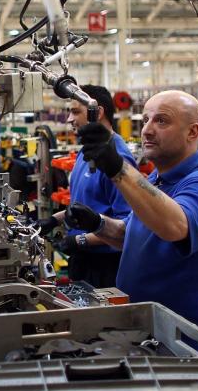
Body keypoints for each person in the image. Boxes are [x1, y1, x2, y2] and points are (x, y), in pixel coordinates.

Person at [63, 90, 198, 342]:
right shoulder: (157, 179)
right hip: (151, 331)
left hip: (192, 342)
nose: (147, 130)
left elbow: (175, 227)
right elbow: (130, 235)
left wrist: (117, 168)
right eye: (145, 120)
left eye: (161, 121)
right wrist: (97, 223)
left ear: (192, 132)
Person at [36, 85, 134, 288]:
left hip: (106, 267)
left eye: (75, 112)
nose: (69, 119)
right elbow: (82, 204)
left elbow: (127, 227)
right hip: (83, 261)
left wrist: (80, 240)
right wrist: (53, 220)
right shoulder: (86, 151)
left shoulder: (118, 160)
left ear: (96, 112)